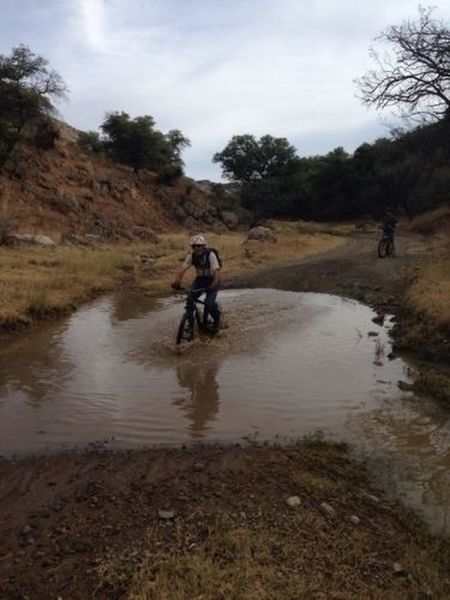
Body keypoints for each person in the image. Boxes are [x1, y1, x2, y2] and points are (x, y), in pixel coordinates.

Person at [171, 234, 221, 332]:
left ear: (203, 246)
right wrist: (176, 282)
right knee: (190, 299)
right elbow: (183, 269)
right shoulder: (191, 256)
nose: (196, 248)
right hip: (200, 279)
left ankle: (216, 322)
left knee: (209, 303)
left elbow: (216, 272)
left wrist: (214, 285)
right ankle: (190, 321)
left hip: (212, 279)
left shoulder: (210, 255)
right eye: (194, 246)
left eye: (199, 246)